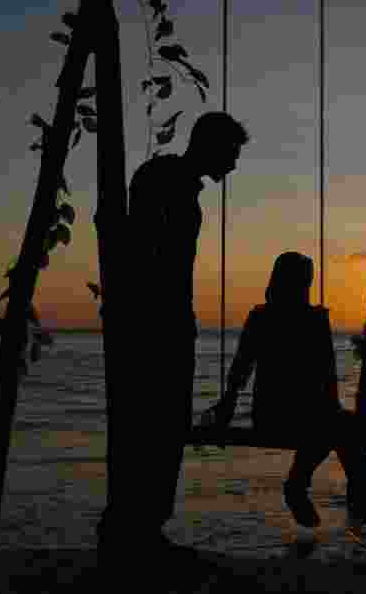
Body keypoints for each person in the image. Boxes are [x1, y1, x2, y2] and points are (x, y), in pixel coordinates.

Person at [97, 111, 250, 563]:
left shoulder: (170, 180)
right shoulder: (165, 181)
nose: (235, 165)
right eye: (232, 154)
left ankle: (137, 526)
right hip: (154, 321)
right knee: (156, 426)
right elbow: (145, 248)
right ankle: (135, 529)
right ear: (213, 146)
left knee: (156, 426)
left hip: (161, 318)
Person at [211, 252, 366, 565]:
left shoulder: (272, 318)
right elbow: (246, 368)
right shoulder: (288, 319)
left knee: (341, 429)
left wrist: (228, 403)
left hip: (282, 414)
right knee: (343, 430)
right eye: (303, 281)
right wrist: (225, 407)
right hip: (278, 416)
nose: (304, 287)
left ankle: (307, 488)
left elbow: (320, 377)